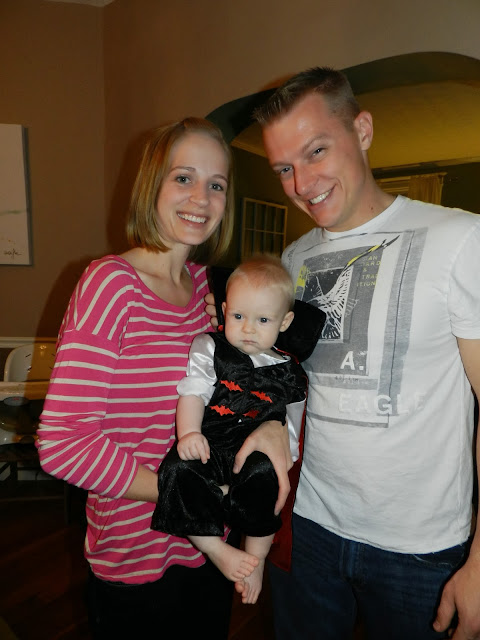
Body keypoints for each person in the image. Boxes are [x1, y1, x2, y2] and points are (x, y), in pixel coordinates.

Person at [206, 67, 480, 640]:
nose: (302, 182)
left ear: (363, 130)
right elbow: (286, 377)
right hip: (308, 527)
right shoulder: (294, 258)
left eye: (316, 151)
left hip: (420, 550)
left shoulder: (460, 239)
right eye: (284, 167)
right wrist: (274, 424)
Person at [36, 117, 288, 640]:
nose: (201, 198)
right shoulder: (110, 285)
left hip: (210, 552)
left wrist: (270, 427)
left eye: (216, 184)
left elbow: (244, 388)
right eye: (183, 178)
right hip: (134, 556)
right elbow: (63, 444)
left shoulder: (211, 294)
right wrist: (189, 496)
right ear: (152, 184)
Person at [151, 255, 308, 605]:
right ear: (224, 311)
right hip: (209, 445)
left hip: (253, 452)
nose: (248, 329)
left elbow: (292, 421)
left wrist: (288, 456)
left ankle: (256, 559)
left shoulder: (290, 371)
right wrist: (189, 433)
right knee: (177, 472)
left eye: (263, 320)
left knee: (266, 479)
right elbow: (193, 392)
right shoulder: (210, 347)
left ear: (285, 321)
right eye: (238, 316)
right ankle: (216, 549)